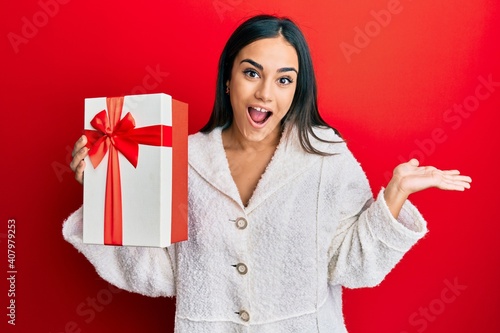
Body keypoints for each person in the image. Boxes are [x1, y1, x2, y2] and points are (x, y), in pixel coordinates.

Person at [64, 15, 471, 333]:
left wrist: (395, 193)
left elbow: (352, 267)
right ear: (228, 79)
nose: (265, 93)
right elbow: (159, 274)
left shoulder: (326, 157)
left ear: (297, 90)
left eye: (283, 80)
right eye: (252, 73)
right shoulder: (180, 160)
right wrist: (102, 190)